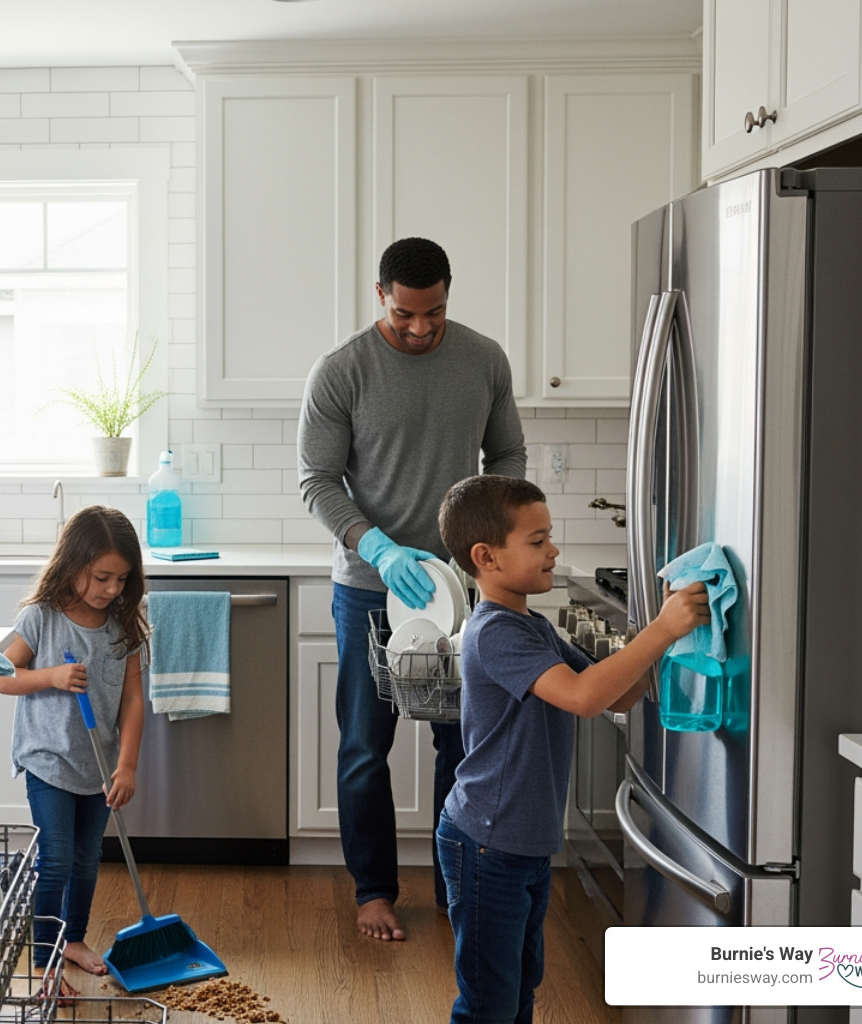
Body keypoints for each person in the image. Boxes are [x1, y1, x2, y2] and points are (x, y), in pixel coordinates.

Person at [298, 237, 528, 941]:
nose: (420, 328)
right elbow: (316, 481)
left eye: (433, 313)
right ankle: (374, 892)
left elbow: (509, 454)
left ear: (448, 295)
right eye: (404, 315)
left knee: (464, 747)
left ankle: (457, 886)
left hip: (460, 593)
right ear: (380, 296)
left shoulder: (483, 358)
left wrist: (486, 534)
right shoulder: (342, 371)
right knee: (367, 747)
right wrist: (375, 544)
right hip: (372, 590)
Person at [435, 475, 708, 1023]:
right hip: (487, 845)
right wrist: (659, 630)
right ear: (486, 557)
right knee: (488, 1002)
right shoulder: (496, 632)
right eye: (537, 541)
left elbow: (619, 697)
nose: (553, 550)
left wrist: (669, 636)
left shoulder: (532, 625)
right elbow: (583, 698)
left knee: (517, 990)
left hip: (523, 845)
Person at [0, 505, 148, 997]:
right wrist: (51, 677)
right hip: (48, 759)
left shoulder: (123, 627)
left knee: (85, 861)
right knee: (56, 860)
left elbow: (133, 701)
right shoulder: (40, 618)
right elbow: (1, 675)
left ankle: (72, 938)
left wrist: (126, 766)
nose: (111, 589)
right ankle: (42, 963)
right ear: (73, 563)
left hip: (97, 766)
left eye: (121, 580)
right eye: (102, 576)